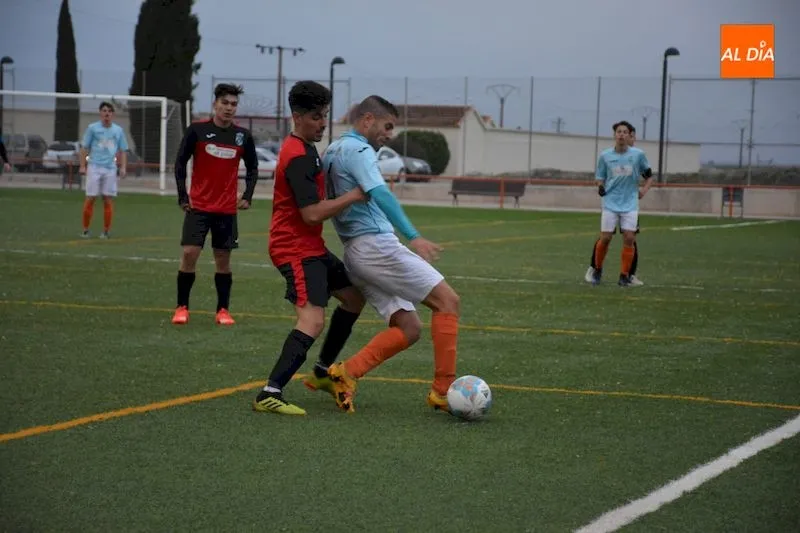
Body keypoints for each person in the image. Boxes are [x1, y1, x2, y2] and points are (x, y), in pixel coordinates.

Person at [321, 95, 461, 414]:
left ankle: (345, 374)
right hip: (375, 247)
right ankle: (443, 390)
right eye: (387, 126)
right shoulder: (359, 150)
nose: (389, 133)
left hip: (356, 252)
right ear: (367, 119)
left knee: (409, 329)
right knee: (448, 302)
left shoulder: (332, 149)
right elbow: (380, 192)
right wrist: (414, 237)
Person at [252, 81, 367, 416]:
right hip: (294, 249)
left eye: (325, 116)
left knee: (354, 298)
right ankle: (269, 392)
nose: (323, 123)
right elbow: (311, 212)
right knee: (312, 320)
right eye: (317, 117)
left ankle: (322, 371)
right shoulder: (297, 157)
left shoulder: (304, 149)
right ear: (297, 116)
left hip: (311, 245)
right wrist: (354, 196)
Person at [171, 83, 258, 326]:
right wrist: (182, 195)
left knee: (223, 260)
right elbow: (180, 163)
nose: (229, 108)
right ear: (215, 104)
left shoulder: (242, 136)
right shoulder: (197, 131)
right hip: (198, 206)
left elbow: (253, 167)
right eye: (225, 103)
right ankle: (182, 307)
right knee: (189, 254)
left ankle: (222, 310)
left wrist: (248, 195)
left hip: (226, 210)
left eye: (233, 104)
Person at [585, 120, 652, 287]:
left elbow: (649, 175)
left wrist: (644, 190)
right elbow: (600, 177)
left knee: (629, 237)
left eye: (625, 132)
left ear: (630, 135)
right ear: (614, 135)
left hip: (630, 203)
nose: (621, 134)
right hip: (610, 203)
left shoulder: (638, 155)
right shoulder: (605, 156)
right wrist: (600, 187)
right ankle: (597, 269)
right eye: (619, 131)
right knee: (606, 238)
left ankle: (624, 276)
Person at [79, 101, 129, 238]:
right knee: (91, 198)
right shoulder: (92, 128)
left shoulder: (118, 130)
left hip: (110, 169)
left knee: (107, 198)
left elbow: (123, 150)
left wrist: (123, 167)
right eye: (104, 111)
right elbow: (84, 148)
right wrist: (82, 166)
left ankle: (106, 231)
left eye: (109, 111)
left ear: (112, 114)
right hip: (94, 166)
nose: (106, 113)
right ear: (100, 113)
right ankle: (85, 229)